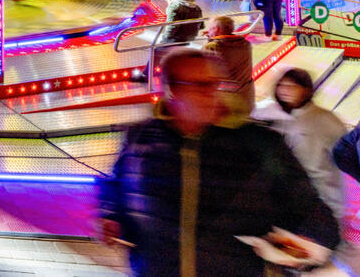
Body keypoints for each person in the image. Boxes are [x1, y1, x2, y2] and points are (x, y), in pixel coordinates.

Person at [98, 48, 340, 275]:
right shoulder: (140, 137)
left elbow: (305, 202)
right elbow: (116, 185)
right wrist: (111, 214)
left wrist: (314, 238)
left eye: (215, 84)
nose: (211, 93)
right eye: (200, 85)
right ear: (170, 89)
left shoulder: (259, 143)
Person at [253, 69, 347, 218]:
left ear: (306, 90)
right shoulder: (267, 113)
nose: (285, 90)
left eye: (292, 86)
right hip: (285, 196)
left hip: (321, 197)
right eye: (282, 85)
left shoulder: (325, 120)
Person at [202, 15, 254, 114]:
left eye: (210, 28)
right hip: (247, 99)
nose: (208, 31)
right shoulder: (246, 44)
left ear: (216, 29)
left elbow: (204, 71)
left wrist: (210, 42)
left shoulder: (211, 47)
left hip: (225, 104)